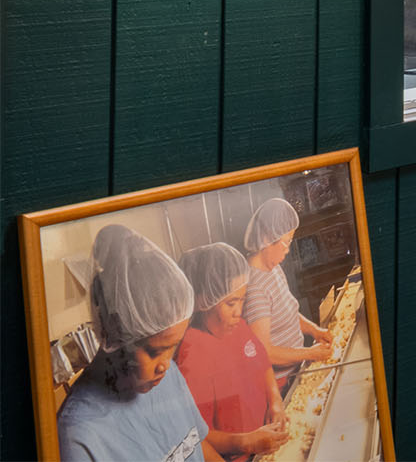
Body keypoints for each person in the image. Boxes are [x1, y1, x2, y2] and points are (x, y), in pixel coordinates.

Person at [56, 225, 219, 462]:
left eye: (172, 347)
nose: (165, 364)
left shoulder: (167, 376)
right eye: (155, 351)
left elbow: (196, 444)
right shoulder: (80, 435)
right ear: (116, 334)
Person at [175, 244, 288, 461]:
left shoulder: (238, 327)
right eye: (231, 303)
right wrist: (247, 442)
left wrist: (275, 402)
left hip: (267, 443)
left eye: (242, 300)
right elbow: (199, 435)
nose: (239, 311)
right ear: (204, 301)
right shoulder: (192, 354)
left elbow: (263, 365)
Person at [241, 198, 331, 389]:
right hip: (283, 384)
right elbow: (265, 353)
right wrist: (310, 353)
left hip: (298, 367)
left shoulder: (273, 268)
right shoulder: (254, 289)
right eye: (287, 242)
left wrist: (315, 330)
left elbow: (288, 311)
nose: (288, 250)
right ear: (267, 239)